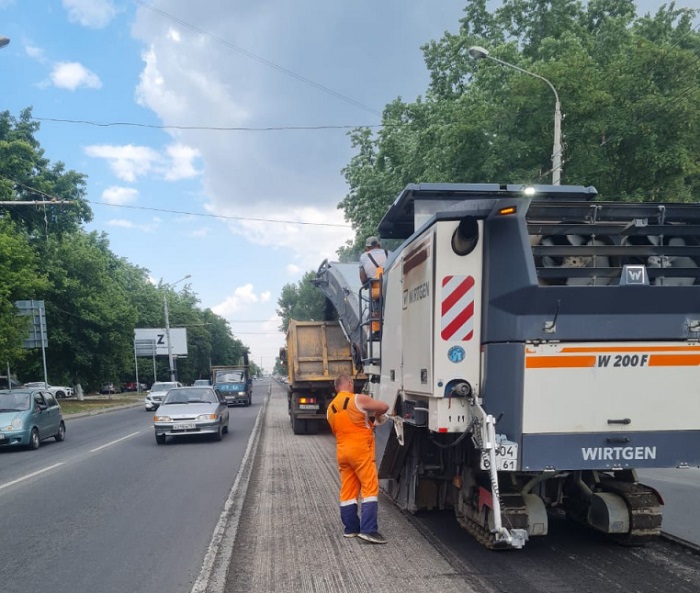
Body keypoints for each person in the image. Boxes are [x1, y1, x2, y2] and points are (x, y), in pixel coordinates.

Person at [326, 373, 390, 544]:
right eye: (352, 384)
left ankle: (351, 529)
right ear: (349, 383)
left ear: (336, 388)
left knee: (348, 490)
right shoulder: (358, 399)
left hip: (342, 452)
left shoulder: (330, 408)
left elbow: (337, 430)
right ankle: (369, 530)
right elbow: (384, 406)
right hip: (360, 450)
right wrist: (375, 418)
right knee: (370, 487)